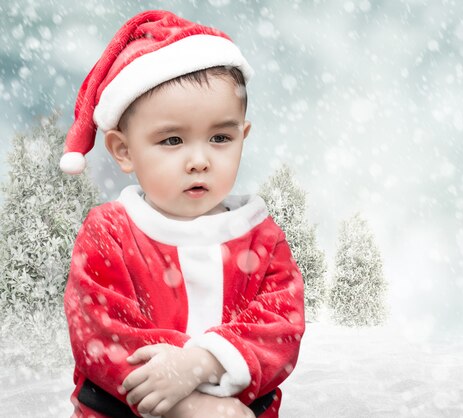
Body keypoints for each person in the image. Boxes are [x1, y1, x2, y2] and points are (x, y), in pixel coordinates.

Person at [61, 10, 305, 418]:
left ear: (243, 136)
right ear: (123, 150)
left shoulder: (262, 237)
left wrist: (205, 362)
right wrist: (187, 404)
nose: (199, 160)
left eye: (220, 137)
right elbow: (99, 333)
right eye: (172, 140)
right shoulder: (110, 232)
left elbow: (282, 327)